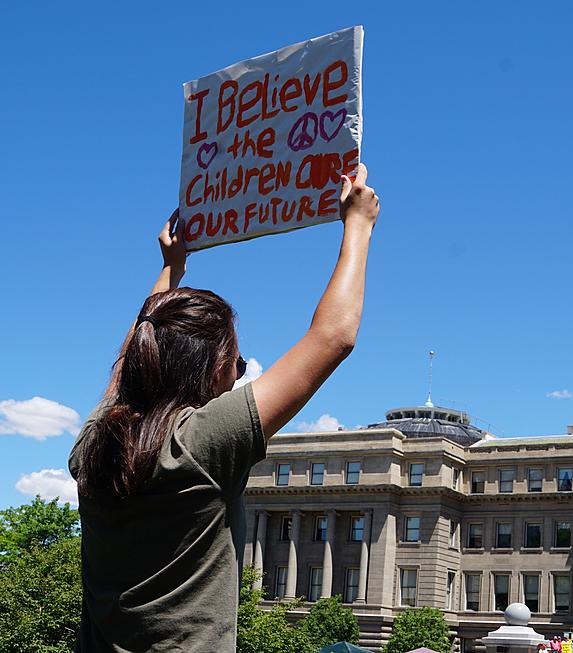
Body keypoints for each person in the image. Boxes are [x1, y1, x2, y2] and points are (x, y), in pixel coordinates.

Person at [68, 166, 381, 651]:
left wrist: (171, 269)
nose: (239, 375)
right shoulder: (203, 442)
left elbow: (135, 357)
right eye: (235, 363)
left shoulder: (95, 442)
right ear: (209, 370)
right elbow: (332, 337)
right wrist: (358, 226)